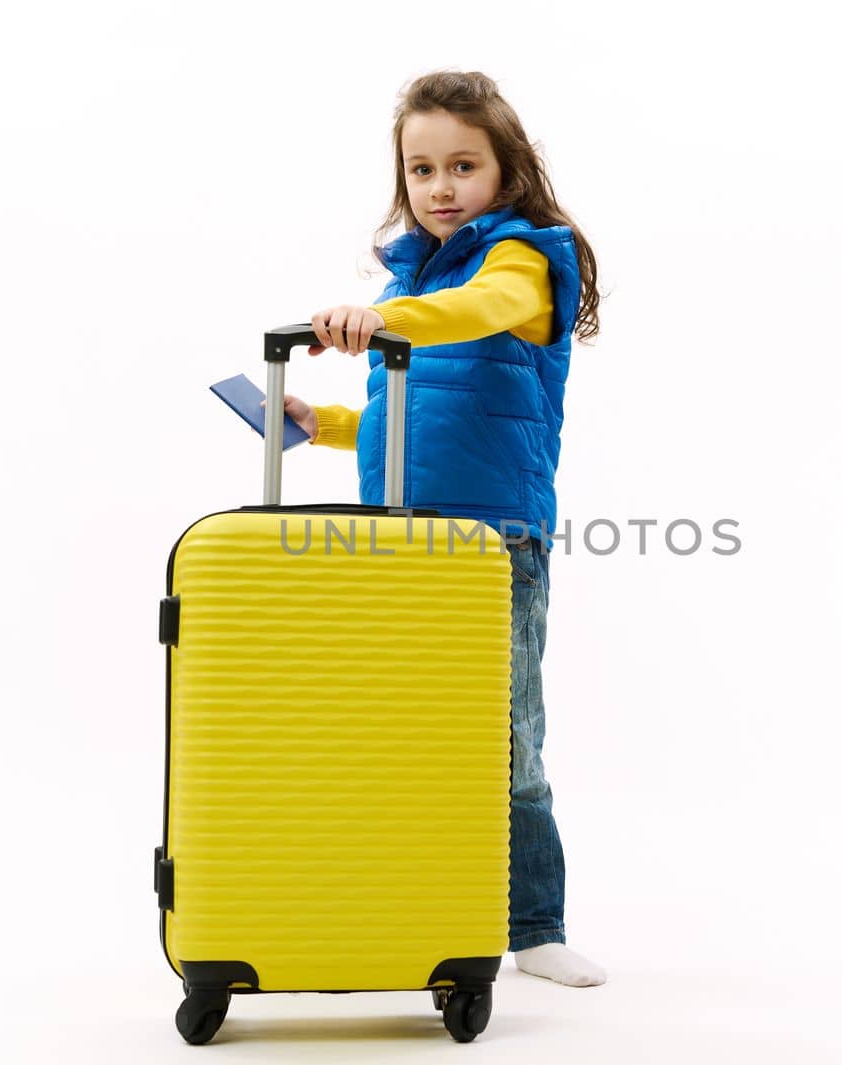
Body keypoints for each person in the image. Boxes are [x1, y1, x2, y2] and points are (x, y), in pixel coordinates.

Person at [278, 70, 605, 987]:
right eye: (422, 170)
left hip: (495, 540)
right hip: (402, 537)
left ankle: (534, 925)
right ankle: (418, 897)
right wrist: (327, 426)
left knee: (506, 737)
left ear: (508, 171)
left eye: (464, 165)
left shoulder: (520, 263)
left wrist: (384, 318)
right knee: (406, 729)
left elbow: (477, 317)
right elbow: (414, 415)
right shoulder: (422, 278)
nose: (442, 187)